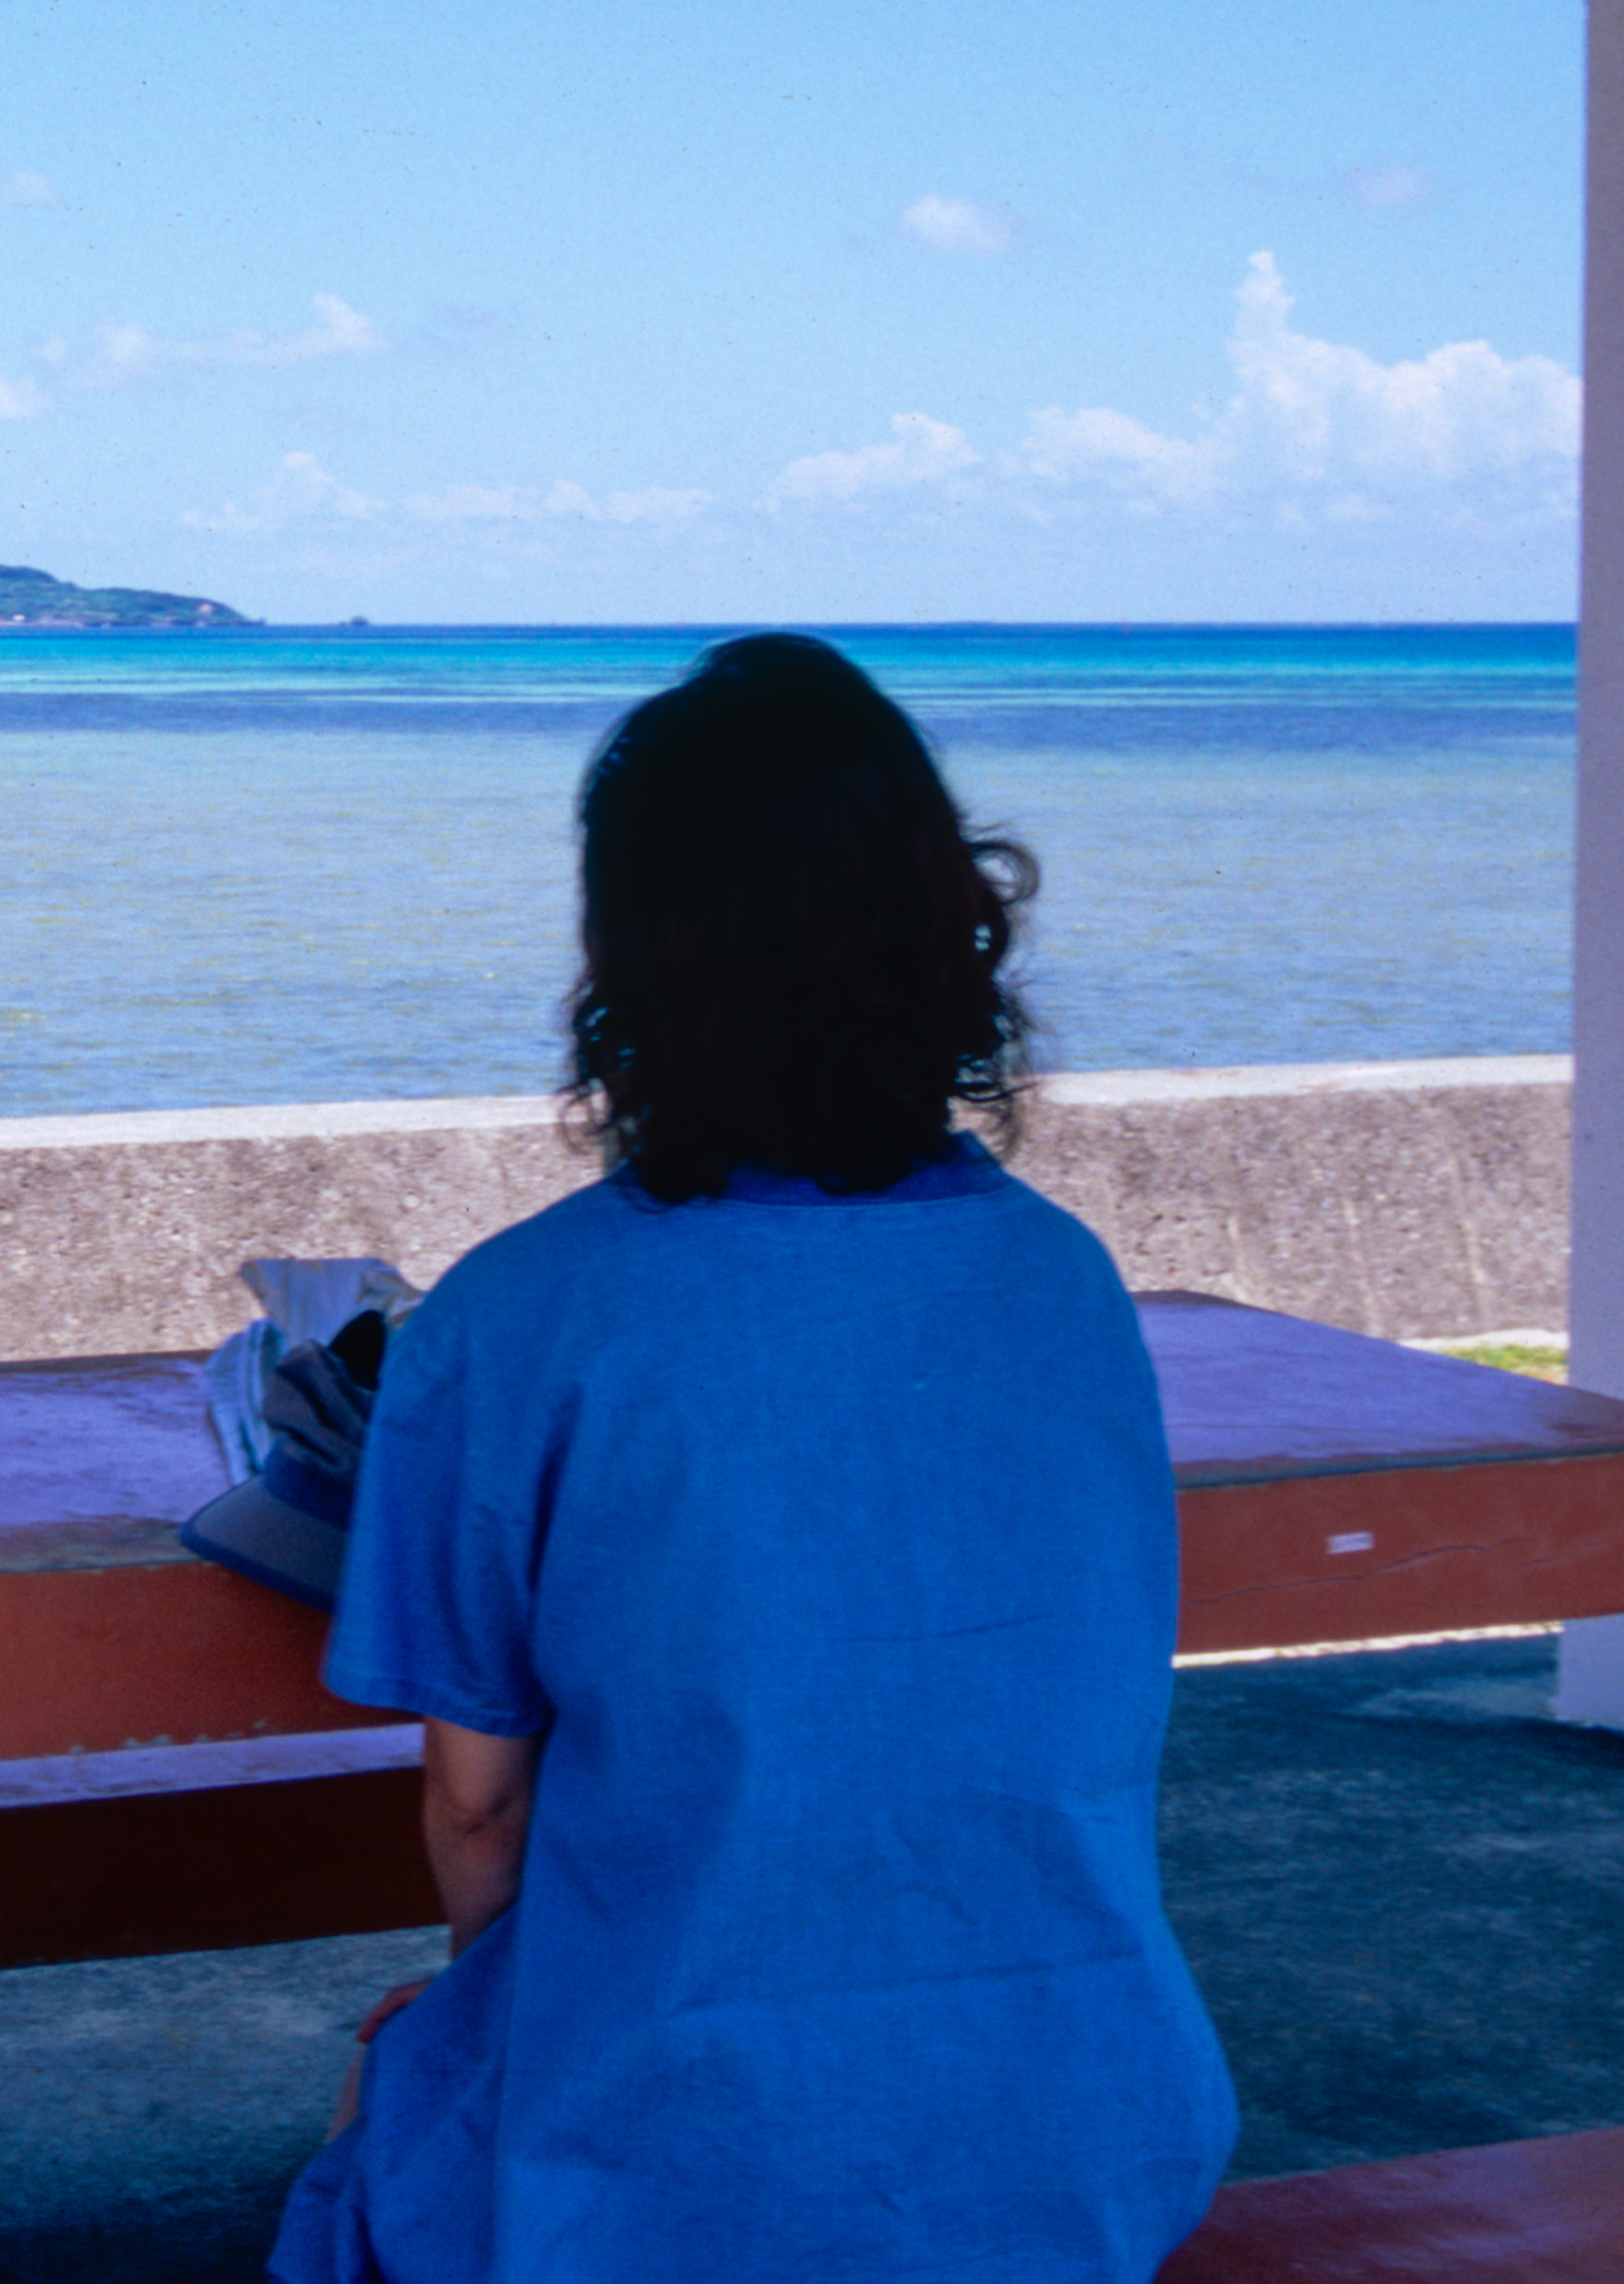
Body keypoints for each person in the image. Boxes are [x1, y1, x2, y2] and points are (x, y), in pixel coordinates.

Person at [270, 632, 1235, 2284]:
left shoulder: (522, 1314)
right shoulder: (1061, 1278)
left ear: (627, 957)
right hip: (1088, 2142)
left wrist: (511, 2018)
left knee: (391, 2074)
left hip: (660, 2180)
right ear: (949, 929)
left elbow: (478, 1810)